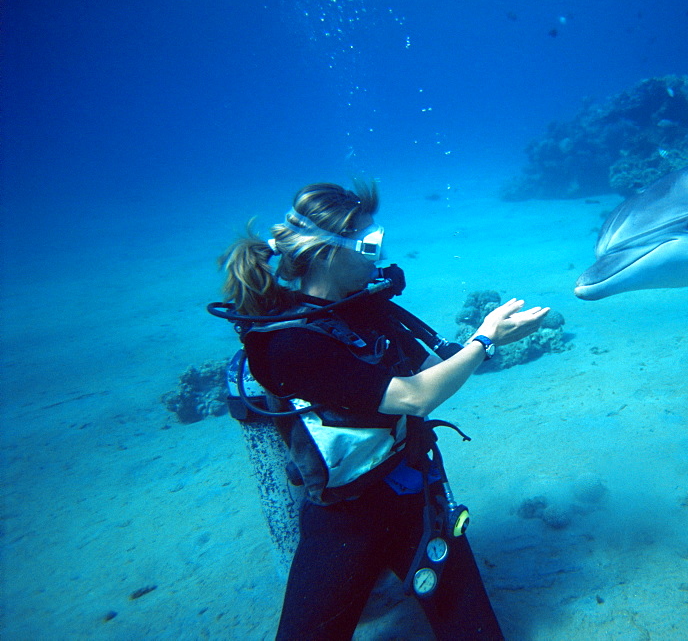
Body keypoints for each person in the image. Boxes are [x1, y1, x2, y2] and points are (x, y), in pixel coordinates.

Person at [217, 181, 549, 640]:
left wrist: (487, 346)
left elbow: (432, 368)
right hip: (345, 518)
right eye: (369, 245)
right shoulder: (288, 344)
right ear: (325, 252)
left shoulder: (368, 307)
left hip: (415, 491)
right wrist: (483, 341)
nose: (378, 256)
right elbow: (415, 397)